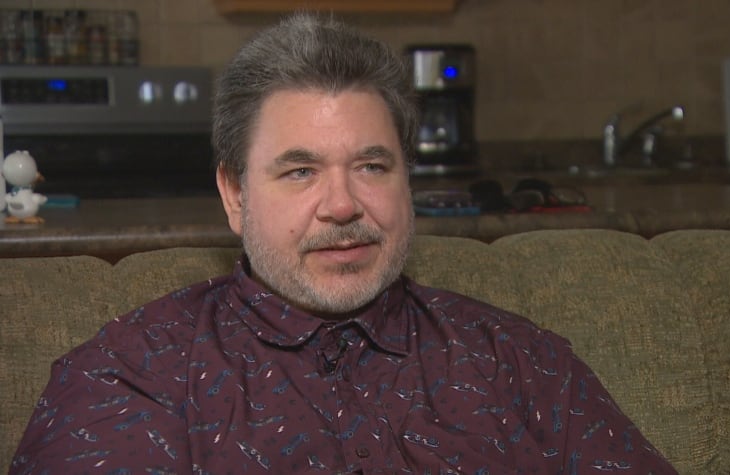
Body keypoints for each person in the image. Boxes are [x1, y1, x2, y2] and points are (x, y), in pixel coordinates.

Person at [10, 13, 677, 474]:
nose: (342, 204)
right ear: (235, 193)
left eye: (372, 166)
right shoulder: (127, 379)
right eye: (300, 170)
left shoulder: (525, 366)